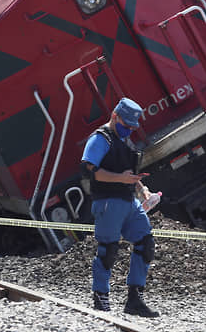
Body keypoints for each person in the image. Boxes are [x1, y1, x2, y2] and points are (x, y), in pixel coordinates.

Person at [81, 97, 160, 317]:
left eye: (133, 127)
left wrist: (143, 190)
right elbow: (90, 170)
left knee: (146, 244)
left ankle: (135, 300)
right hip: (108, 201)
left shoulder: (124, 140)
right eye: (126, 126)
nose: (129, 130)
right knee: (108, 250)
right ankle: (101, 300)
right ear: (114, 116)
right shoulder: (100, 139)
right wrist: (120, 179)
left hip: (129, 201)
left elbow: (128, 172)